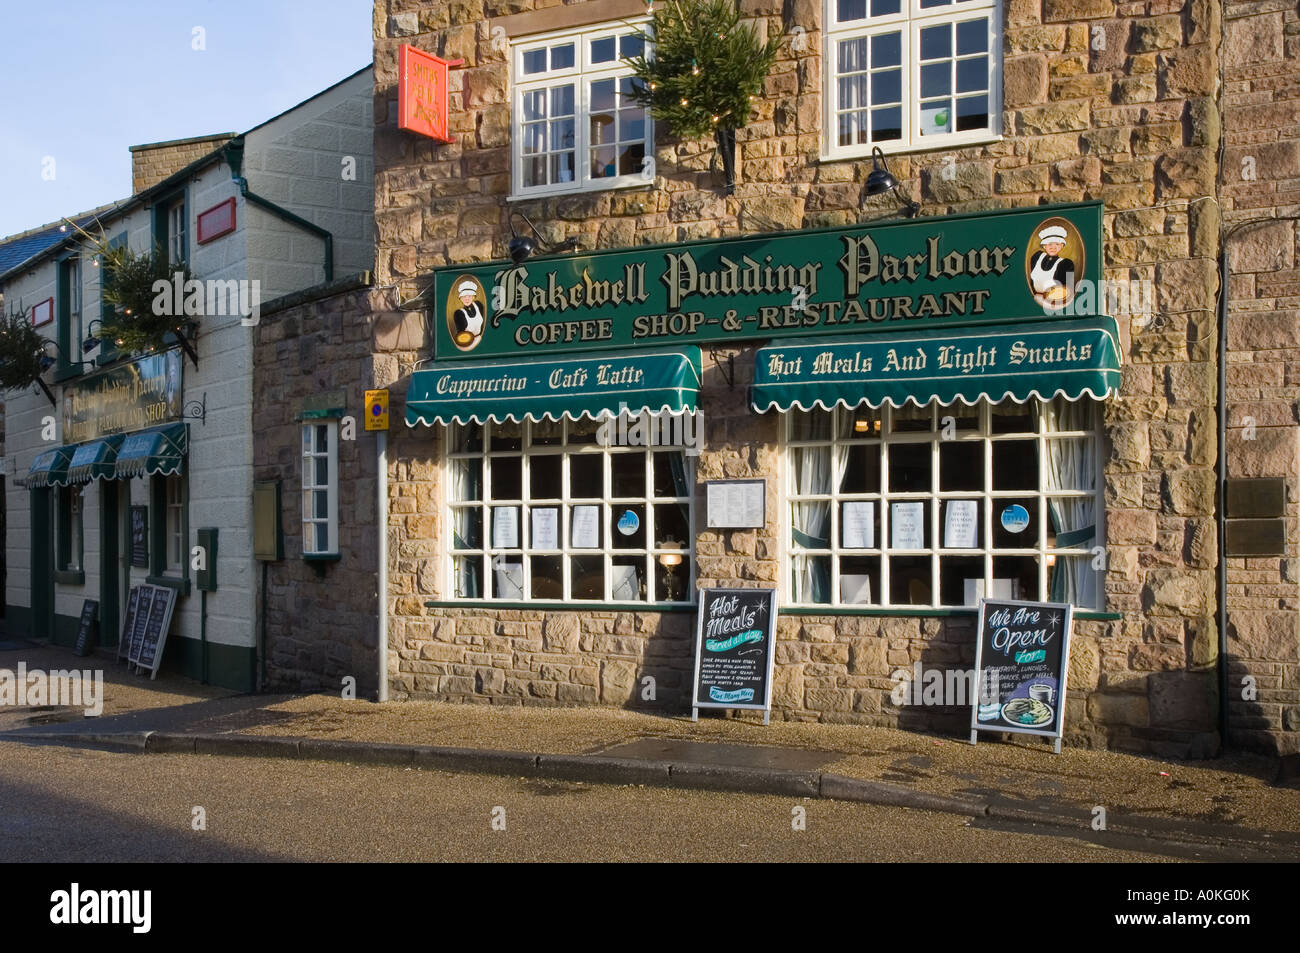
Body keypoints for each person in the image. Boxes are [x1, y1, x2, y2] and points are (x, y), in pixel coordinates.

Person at [1028, 225, 1075, 310]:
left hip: (1055, 305)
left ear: (1061, 246)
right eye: (1049, 244)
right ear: (1044, 246)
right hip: (1033, 301)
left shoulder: (1066, 264)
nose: (1053, 247)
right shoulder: (1037, 257)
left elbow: (1069, 290)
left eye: (1057, 244)